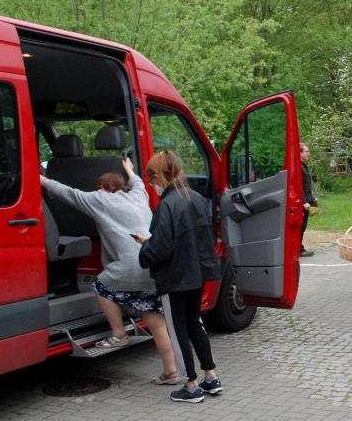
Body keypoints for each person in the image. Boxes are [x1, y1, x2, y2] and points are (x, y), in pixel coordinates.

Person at [40, 158, 180, 384]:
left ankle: (119, 333)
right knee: (156, 322)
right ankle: (171, 371)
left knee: (100, 285)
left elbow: (69, 193)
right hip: (153, 263)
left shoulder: (99, 200)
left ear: (103, 188)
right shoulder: (138, 196)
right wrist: (130, 170)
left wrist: (42, 179)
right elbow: (139, 184)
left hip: (127, 267)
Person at [136, 150, 223, 404]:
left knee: (178, 329)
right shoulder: (195, 198)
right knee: (195, 323)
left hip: (174, 277)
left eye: (151, 179)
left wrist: (145, 247)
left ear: (157, 176)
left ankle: (191, 385)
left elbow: (162, 247)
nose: (151, 185)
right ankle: (211, 377)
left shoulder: (166, 205)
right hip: (197, 273)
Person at [300, 142, 316, 257]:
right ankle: (298, 249)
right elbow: (298, 186)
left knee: (302, 227)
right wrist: (304, 201)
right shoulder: (298, 166)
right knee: (300, 227)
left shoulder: (302, 165)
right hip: (301, 204)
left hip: (306, 201)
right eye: (307, 151)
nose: (309, 154)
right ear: (300, 152)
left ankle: (298, 248)